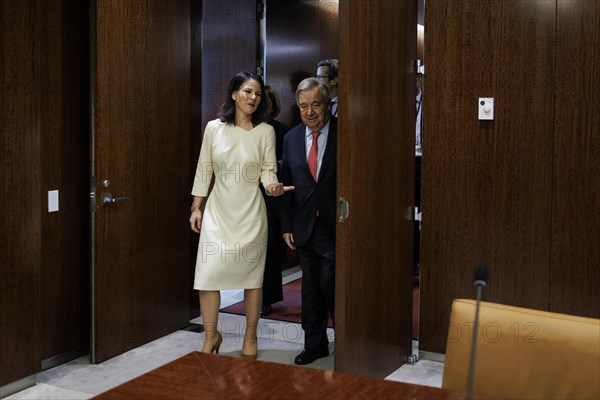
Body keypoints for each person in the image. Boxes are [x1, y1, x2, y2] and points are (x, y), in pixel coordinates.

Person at [189, 71, 293, 360]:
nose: (253, 97)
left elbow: (267, 171)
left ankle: (250, 336)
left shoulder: (266, 132)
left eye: (257, 94)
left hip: (251, 215)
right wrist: (196, 208)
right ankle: (211, 336)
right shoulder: (214, 128)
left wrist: (273, 187)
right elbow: (204, 169)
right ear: (234, 94)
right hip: (218, 214)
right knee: (208, 277)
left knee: (252, 279)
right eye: (248, 91)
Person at [280, 77, 337, 365]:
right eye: (304, 106)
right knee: (310, 290)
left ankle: (350, 341)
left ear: (327, 105)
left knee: (334, 285)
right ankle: (315, 344)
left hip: (336, 225)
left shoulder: (345, 133)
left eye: (316, 104)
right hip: (303, 227)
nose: (310, 112)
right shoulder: (290, 138)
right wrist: (286, 225)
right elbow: (286, 184)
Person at [260, 86, 290, 316]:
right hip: (252, 196)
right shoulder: (248, 130)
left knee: (271, 249)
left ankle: (266, 298)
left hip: (274, 197)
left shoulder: (283, 132)